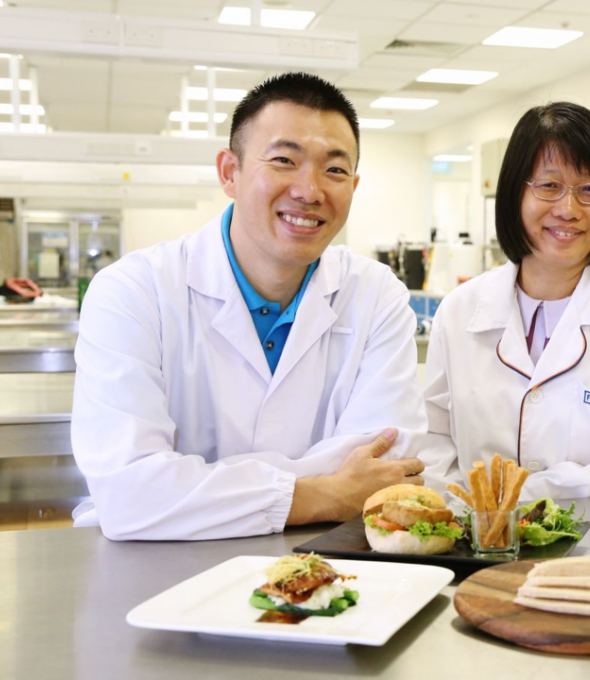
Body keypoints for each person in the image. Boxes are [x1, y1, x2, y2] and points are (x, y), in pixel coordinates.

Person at [72, 73, 427, 541]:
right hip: (155, 572)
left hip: (329, 571)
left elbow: (385, 472)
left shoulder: (377, 293)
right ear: (229, 172)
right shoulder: (132, 291)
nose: (309, 190)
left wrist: (193, 485)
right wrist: (323, 492)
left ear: (354, 186)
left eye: (334, 170)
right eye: (284, 160)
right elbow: (130, 492)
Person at [421, 102, 590, 500]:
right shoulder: (460, 310)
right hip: (474, 542)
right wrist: (471, 519)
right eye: (548, 186)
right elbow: (433, 445)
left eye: (589, 189)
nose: (568, 210)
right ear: (514, 194)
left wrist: (525, 496)